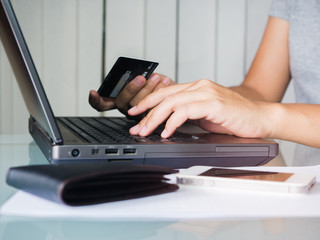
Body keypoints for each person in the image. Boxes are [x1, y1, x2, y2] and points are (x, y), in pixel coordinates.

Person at [89, 0, 320, 165]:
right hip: (306, 188)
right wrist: (184, 103)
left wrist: (266, 117)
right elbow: (260, 91)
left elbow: (261, 111)